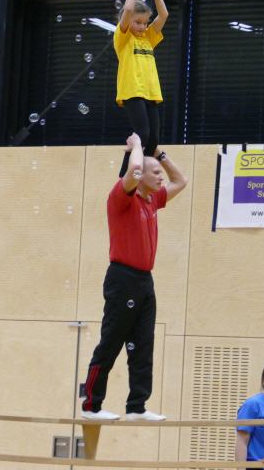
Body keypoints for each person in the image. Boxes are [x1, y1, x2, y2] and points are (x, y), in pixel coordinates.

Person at [81, 133, 188, 421]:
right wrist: (138, 146)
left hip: (144, 280)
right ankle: (91, 405)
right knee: (111, 341)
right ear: (139, 178)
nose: (161, 177)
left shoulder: (152, 200)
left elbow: (181, 181)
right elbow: (136, 169)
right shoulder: (121, 198)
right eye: (156, 173)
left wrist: (160, 154)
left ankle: (136, 406)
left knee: (143, 344)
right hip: (123, 278)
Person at [115, 0, 169, 178]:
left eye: (145, 23)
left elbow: (163, 15)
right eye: (138, 22)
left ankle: (141, 176)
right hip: (132, 91)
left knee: (153, 139)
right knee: (142, 133)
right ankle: (124, 176)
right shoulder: (123, 38)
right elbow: (128, 10)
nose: (142, 27)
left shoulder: (148, 37)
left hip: (150, 92)